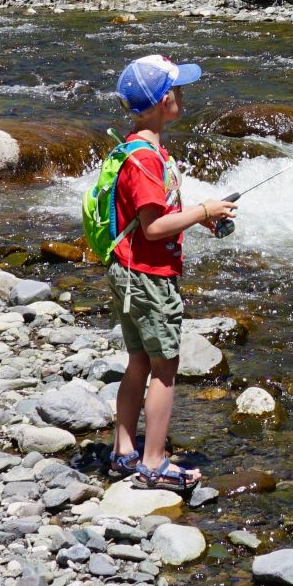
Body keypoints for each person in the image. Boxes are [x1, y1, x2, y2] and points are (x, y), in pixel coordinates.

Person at [105, 53, 236, 490]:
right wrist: (202, 209)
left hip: (130, 272)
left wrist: (201, 216)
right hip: (148, 276)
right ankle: (154, 461)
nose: (183, 94)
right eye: (177, 89)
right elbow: (154, 227)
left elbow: (158, 216)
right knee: (164, 367)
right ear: (164, 101)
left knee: (138, 360)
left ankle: (124, 452)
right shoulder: (146, 162)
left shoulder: (142, 148)